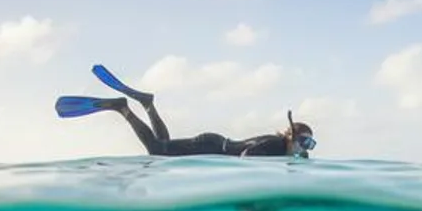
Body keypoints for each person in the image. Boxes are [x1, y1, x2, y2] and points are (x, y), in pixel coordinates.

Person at [56, 63, 316, 158]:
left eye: (310, 144)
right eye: (305, 142)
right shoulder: (276, 146)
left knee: (163, 148)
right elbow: (247, 155)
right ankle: (122, 108)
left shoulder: (280, 148)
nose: (306, 147)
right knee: (156, 150)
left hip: (213, 144)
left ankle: (147, 104)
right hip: (210, 147)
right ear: (292, 136)